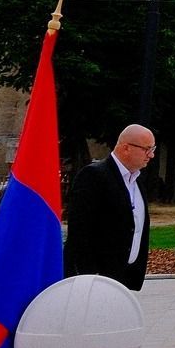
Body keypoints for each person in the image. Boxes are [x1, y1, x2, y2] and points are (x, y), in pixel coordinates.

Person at [64, 124, 157, 291]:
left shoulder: (136, 181)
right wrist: (90, 276)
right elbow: (80, 231)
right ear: (126, 148)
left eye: (153, 149)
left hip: (123, 278)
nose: (151, 155)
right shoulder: (94, 176)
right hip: (94, 280)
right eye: (147, 149)